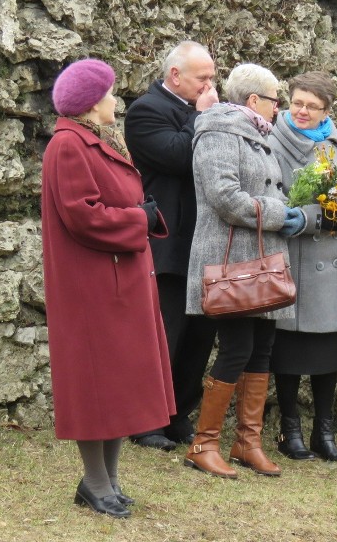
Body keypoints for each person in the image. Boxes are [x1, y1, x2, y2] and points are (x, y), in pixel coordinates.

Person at [41, 59, 175, 518]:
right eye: (110, 93)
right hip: (92, 285)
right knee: (95, 383)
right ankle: (94, 482)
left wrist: (142, 214)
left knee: (119, 381)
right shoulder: (67, 145)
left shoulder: (97, 140)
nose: (115, 100)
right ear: (92, 102)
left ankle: (109, 480)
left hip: (119, 280)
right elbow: (83, 214)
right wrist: (140, 218)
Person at [184, 63, 305, 479]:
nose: (279, 109)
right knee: (236, 348)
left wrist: (292, 209)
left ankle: (247, 442)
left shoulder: (257, 136)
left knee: (261, 348)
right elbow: (224, 196)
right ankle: (204, 443)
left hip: (260, 263)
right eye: (275, 100)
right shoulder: (219, 132)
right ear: (254, 100)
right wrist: (279, 212)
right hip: (231, 260)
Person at [124, 41, 220, 451]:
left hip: (206, 242)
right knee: (164, 336)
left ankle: (178, 414)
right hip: (169, 242)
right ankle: (146, 420)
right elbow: (178, 157)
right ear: (175, 75)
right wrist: (201, 118)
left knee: (199, 336)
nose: (210, 85)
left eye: (213, 78)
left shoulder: (206, 110)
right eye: (203, 78)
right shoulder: (146, 110)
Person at [268, 71, 337, 462]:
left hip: (332, 260)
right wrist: (307, 217)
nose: (303, 111)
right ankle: (289, 429)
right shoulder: (272, 140)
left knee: (327, 354)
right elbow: (270, 195)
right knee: (288, 352)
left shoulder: (336, 143)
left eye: (313, 106)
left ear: (328, 110)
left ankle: (324, 431)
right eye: (298, 103)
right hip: (294, 260)